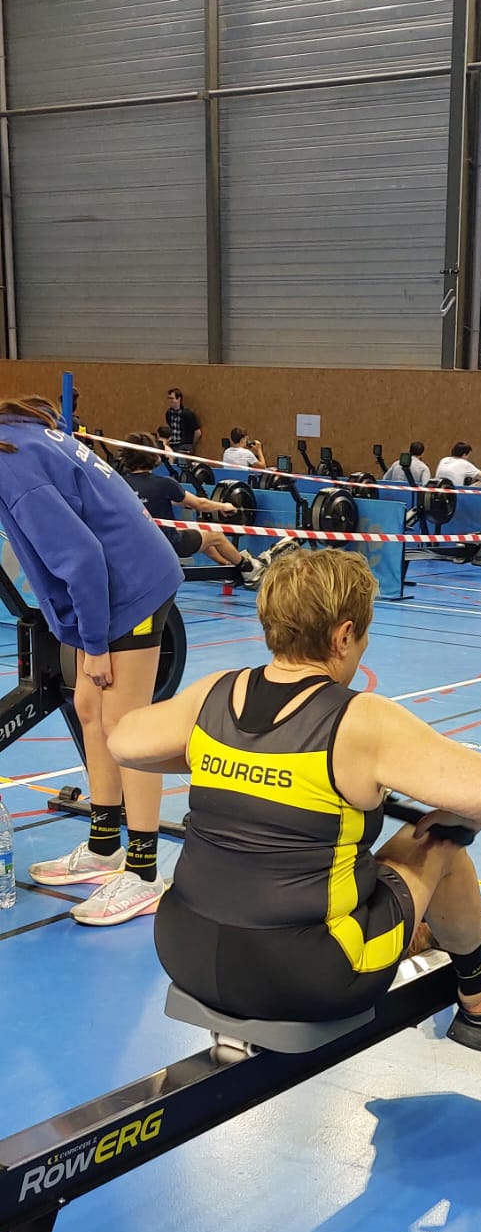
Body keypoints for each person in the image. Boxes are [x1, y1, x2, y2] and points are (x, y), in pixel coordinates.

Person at [109, 549, 481, 1028]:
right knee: (439, 841)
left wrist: (217, 759)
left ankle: (407, 927)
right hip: (307, 977)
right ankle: (480, 985)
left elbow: (123, 743)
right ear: (343, 636)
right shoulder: (359, 718)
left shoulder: (215, 693)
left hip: (181, 950)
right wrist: (454, 817)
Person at [0, 396, 183, 924]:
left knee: (128, 728)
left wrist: (96, 645)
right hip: (107, 582)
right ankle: (105, 847)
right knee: (88, 706)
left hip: (131, 584)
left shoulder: (10, 461)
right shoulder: (16, 435)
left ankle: (144, 874)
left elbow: (81, 557)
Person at [119, 435, 265, 588]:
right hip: (168, 544)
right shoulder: (164, 484)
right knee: (215, 534)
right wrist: (224, 507)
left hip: (135, 544)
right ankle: (248, 570)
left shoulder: (120, 483)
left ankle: (227, 566)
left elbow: (147, 500)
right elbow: (200, 504)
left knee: (201, 534)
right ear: (154, 456)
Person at [164, 389, 202, 460]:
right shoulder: (168, 413)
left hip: (184, 445)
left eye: (172, 398)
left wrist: (191, 444)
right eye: (168, 398)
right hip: (172, 445)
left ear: (179, 399)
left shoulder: (187, 414)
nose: (170, 401)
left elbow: (197, 432)